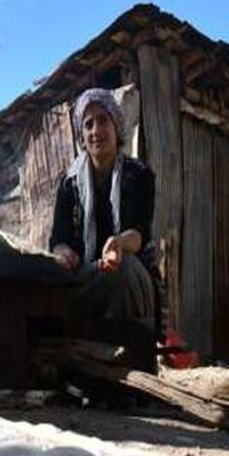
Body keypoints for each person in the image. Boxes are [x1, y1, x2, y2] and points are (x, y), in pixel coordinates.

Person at [49, 88, 159, 368]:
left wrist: (118, 244)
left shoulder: (139, 175)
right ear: (82, 137)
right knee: (53, 284)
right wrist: (62, 253)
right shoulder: (68, 185)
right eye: (88, 124)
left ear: (116, 127)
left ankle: (132, 360)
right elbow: (57, 240)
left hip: (129, 271)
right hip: (88, 274)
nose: (96, 130)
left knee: (123, 269)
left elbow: (139, 233)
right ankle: (79, 364)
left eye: (102, 121)